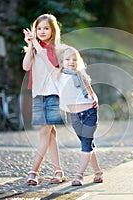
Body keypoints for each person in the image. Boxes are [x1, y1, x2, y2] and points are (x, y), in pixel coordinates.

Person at [26, 37, 103, 186]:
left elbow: (91, 92)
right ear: (61, 62)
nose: (71, 62)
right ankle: (98, 172)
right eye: (67, 59)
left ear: (78, 61)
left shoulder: (81, 76)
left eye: (74, 59)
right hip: (75, 115)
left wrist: (95, 100)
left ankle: (79, 176)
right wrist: (33, 41)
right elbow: (42, 54)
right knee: (87, 143)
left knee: (86, 144)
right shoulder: (57, 75)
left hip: (90, 113)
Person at [22, 14, 66, 185]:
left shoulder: (55, 49)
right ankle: (58, 171)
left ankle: (33, 172)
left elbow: (49, 63)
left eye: (46, 28)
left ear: (53, 31)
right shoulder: (34, 48)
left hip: (53, 95)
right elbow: (26, 66)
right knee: (50, 134)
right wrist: (29, 45)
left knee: (44, 132)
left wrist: (34, 45)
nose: (42, 31)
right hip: (38, 94)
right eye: (39, 28)